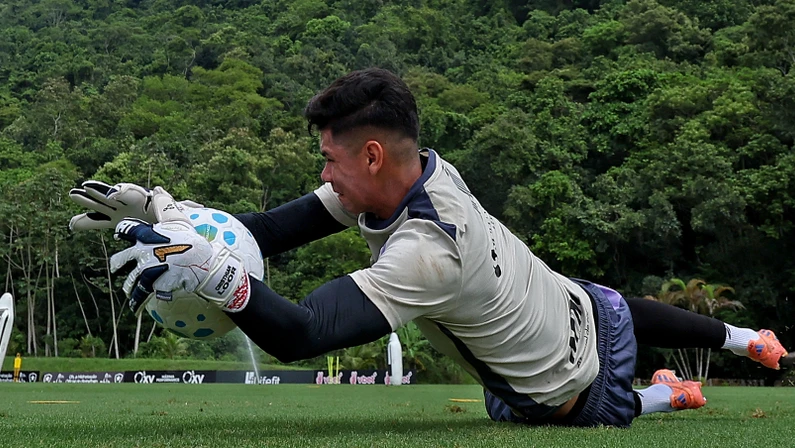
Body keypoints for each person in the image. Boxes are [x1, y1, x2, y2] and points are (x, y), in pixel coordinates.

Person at [69, 68, 789, 427]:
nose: (322, 173)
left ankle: (669, 395)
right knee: (617, 307)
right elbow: (267, 231)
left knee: (606, 401)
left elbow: (303, 334)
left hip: (563, 395)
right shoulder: (423, 173)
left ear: (373, 155)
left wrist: (217, 280)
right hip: (566, 300)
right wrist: (182, 220)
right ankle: (746, 339)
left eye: (329, 157)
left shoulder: (428, 254)